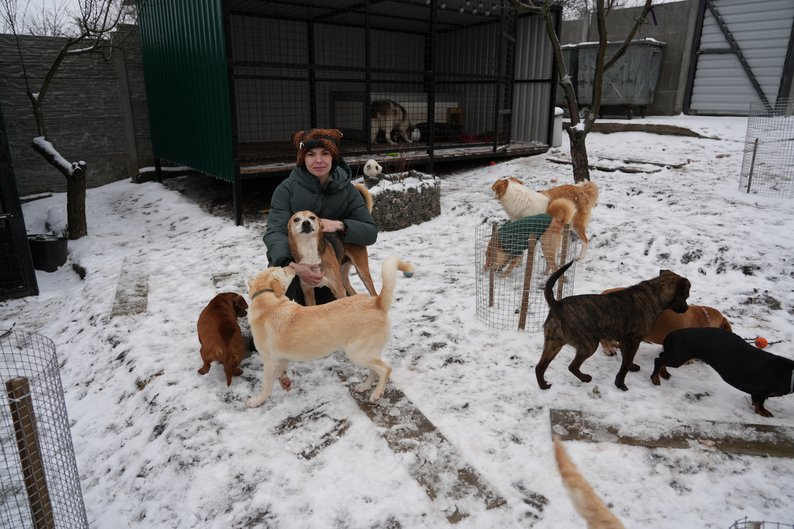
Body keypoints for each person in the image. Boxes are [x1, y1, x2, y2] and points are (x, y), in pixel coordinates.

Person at [263, 128, 378, 305]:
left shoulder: (348, 190)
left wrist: (341, 225)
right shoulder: (286, 190)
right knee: (281, 307)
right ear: (303, 159)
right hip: (295, 263)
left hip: (332, 257)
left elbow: (370, 232)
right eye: (310, 154)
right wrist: (292, 265)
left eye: (325, 153)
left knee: (333, 308)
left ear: (334, 157)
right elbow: (275, 233)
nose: (318, 160)